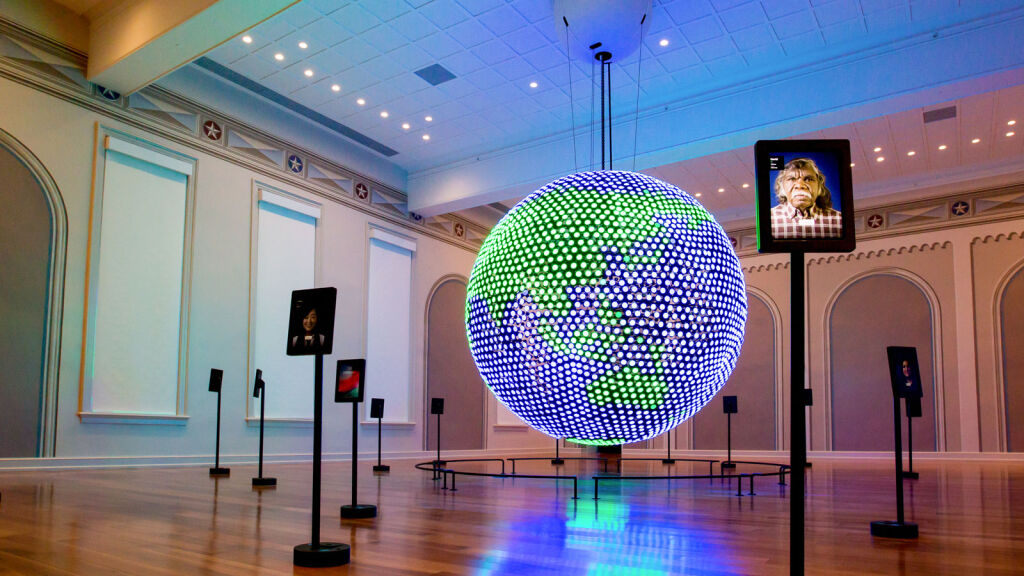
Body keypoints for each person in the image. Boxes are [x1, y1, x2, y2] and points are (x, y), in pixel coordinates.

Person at [769, 158, 842, 239]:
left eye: (808, 179)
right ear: (782, 187)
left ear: (819, 186)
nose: (800, 185)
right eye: (792, 179)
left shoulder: (839, 219)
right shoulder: (769, 219)